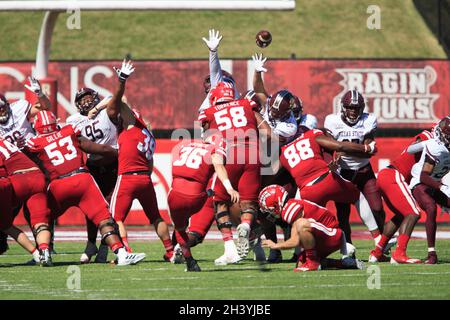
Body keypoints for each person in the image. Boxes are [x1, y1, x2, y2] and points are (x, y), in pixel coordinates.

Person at [26, 110, 145, 266]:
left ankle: (44, 252)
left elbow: (25, 165)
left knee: (42, 218)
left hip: (59, 184)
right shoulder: (68, 131)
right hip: (82, 180)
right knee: (103, 218)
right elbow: (95, 148)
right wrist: (119, 153)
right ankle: (121, 253)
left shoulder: (35, 143)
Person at [106, 59, 174, 260]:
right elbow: (151, 164)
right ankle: (170, 251)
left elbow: (119, 101)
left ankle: (124, 252)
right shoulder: (148, 135)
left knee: (114, 218)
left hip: (127, 178)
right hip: (145, 179)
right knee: (155, 217)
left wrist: (121, 80)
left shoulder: (131, 125)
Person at [198, 81, 271, 264]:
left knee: (220, 202)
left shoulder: (210, 112)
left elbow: (208, 138)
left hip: (229, 152)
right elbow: (268, 133)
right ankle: (246, 226)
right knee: (249, 202)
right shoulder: (247, 103)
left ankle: (230, 248)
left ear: (215, 97)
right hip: (253, 152)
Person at [66, 86, 120, 263]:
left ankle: (105, 246)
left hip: (112, 164)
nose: (86, 101)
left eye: (88, 97)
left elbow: (113, 96)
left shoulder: (104, 111)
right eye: (82, 99)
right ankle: (91, 244)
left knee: (110, 207)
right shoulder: (72, 120)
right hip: (92, 165)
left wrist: (96, 109)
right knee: (92, 208)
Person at [169, 134, 238, 271]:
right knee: (210, 197)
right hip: (196, 198)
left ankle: (189, 261)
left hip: (173, 195)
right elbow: (219, 167)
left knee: (179, 229)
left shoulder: (186, 145)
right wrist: (230, 189)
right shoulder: (213, 149)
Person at [324, 89, 385, 245]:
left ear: (362, 108)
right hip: (343, 173)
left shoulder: (369, 120)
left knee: (377, 208)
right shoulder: (331, 120)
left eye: (356, 108)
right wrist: (335, 155)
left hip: (364, 171)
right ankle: (348, 249)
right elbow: (331, 148)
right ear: (344, 107)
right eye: (350, 107)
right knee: (343, 214)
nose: (353, 111)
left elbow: (367, 154)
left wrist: (342, 147)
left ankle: (382, 245)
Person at [259, 185, 364, 272]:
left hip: (332, 234)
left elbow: (294, 241)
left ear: (276, 203)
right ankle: (343, 263)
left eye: (269, 210)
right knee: (300, 264)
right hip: (325, 234)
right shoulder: (291, 205)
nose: (270, 214)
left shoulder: (289, 208)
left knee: (301, 224)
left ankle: (313, 262)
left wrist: (275, 245)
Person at [0, 77, 51, 254]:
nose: (1, 113)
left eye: (2, 108)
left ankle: (46, 248)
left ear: (7, 105)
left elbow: (45, 107)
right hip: (10, 167)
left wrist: (39, 93)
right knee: (8, 210)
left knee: (39, 208)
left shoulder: (19, 107)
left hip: (33, 160)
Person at [369, 130, 433, 264]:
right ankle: (399, 253)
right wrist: (429, 144)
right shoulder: (428, 137)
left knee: (401, 215)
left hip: (388, 175)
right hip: (394, 174)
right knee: (413, 213)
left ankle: (377, 252)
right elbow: (415, 146)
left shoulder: (439, 147)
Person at [409, 117, 450, 264]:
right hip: (421, 183)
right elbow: (423, 175)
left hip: (436, 183)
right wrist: (442, 187)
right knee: (431, 208)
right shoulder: (436, 148)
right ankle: (432, 254)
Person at [0, 138, 42, 264]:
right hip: (11, 181)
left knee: (6, 225)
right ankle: (37, 254)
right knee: (6, 226)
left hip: (9, 180)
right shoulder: (4, 142)